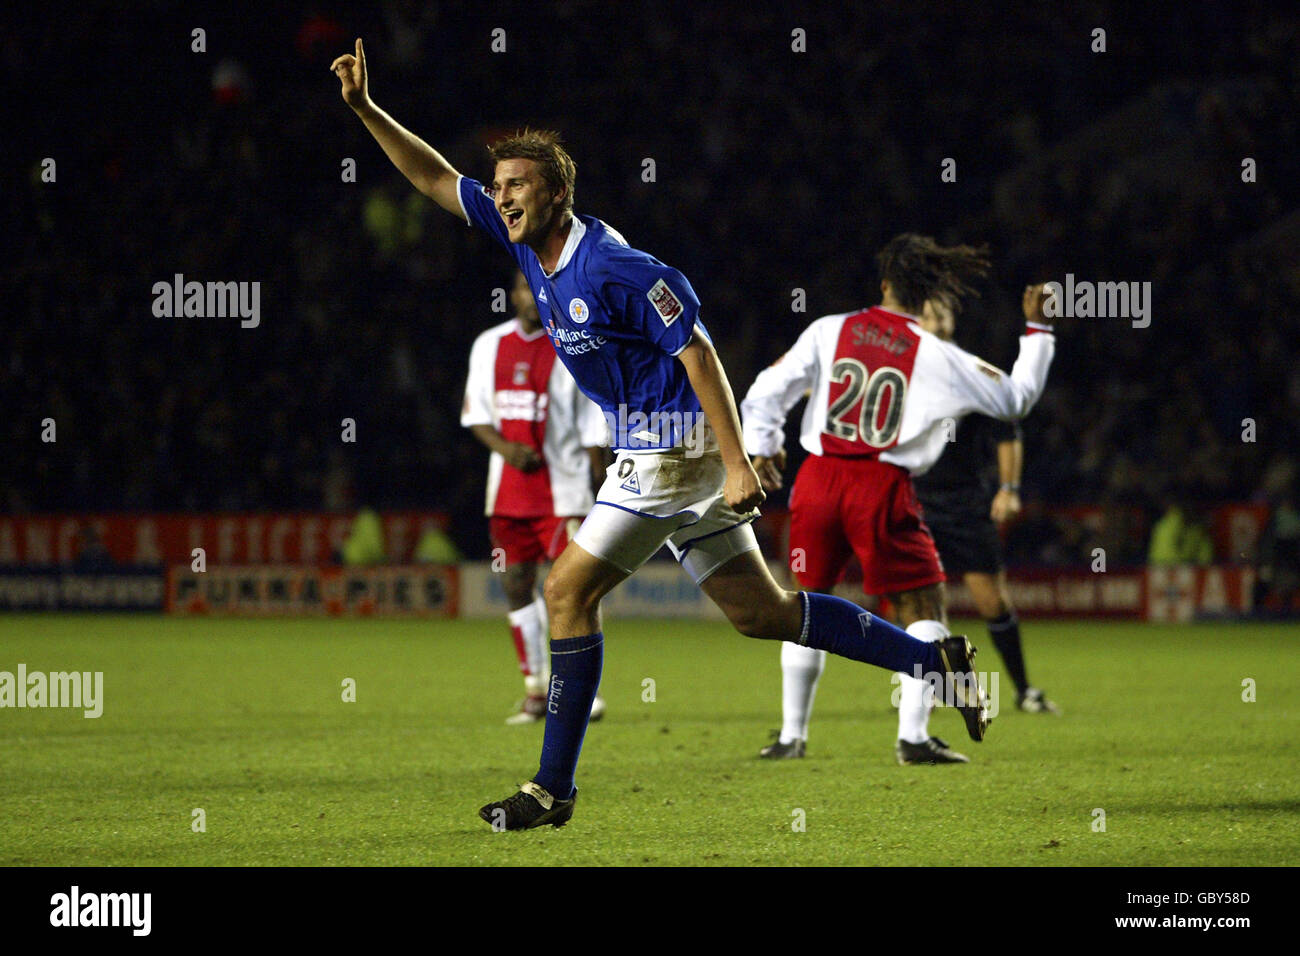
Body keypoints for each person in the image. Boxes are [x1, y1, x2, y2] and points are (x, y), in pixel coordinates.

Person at [332, 41, 988, 830]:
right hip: (667, 454)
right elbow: (438, 179)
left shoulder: (618, 267)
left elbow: (701, 353)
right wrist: (368, 110)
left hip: (672, 454)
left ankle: (552, 790)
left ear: (559, 191)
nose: (501, 198)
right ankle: (933, 659)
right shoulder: (523, 242)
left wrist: (739, 462)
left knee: (566, 592)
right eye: (499, 187)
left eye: (519, 186)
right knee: (762, 613)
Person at [741, 237, 1055, 765]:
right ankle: (912, 737)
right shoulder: (936, 354)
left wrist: (764, 446)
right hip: (880, 485)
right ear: (929, 292)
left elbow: (766, 389)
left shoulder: (828, 329)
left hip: (817, 482)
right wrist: (1040, 330)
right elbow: (1015, 399)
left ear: (883, 284)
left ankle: (791, 736)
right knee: (923, 606)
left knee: (804, 603)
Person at [461, 270, 608, 724]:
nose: (533, 296)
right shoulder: (489, 345)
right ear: (513, 295)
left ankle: (580, 693)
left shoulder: (570, 345)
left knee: (573, 591)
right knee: (515, 584)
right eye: (526, 288)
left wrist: (602, 485)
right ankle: (534, 691)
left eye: (539, 290)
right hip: (507, 495)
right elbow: (475, 413)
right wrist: (507, 450)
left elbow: (590, 424)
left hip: (563, 494)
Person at [910, 298, 1060, 716]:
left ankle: (1023, 689)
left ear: (953, 320)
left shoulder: (971, 372)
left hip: (964, 501)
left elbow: (1008, 431)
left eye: (941, 314)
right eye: (925, 314)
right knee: (919, 601)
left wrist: (1009, 488)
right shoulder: (902, 372)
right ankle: (923, 691)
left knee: (992, 600)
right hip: (912, 500)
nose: (934, 322)